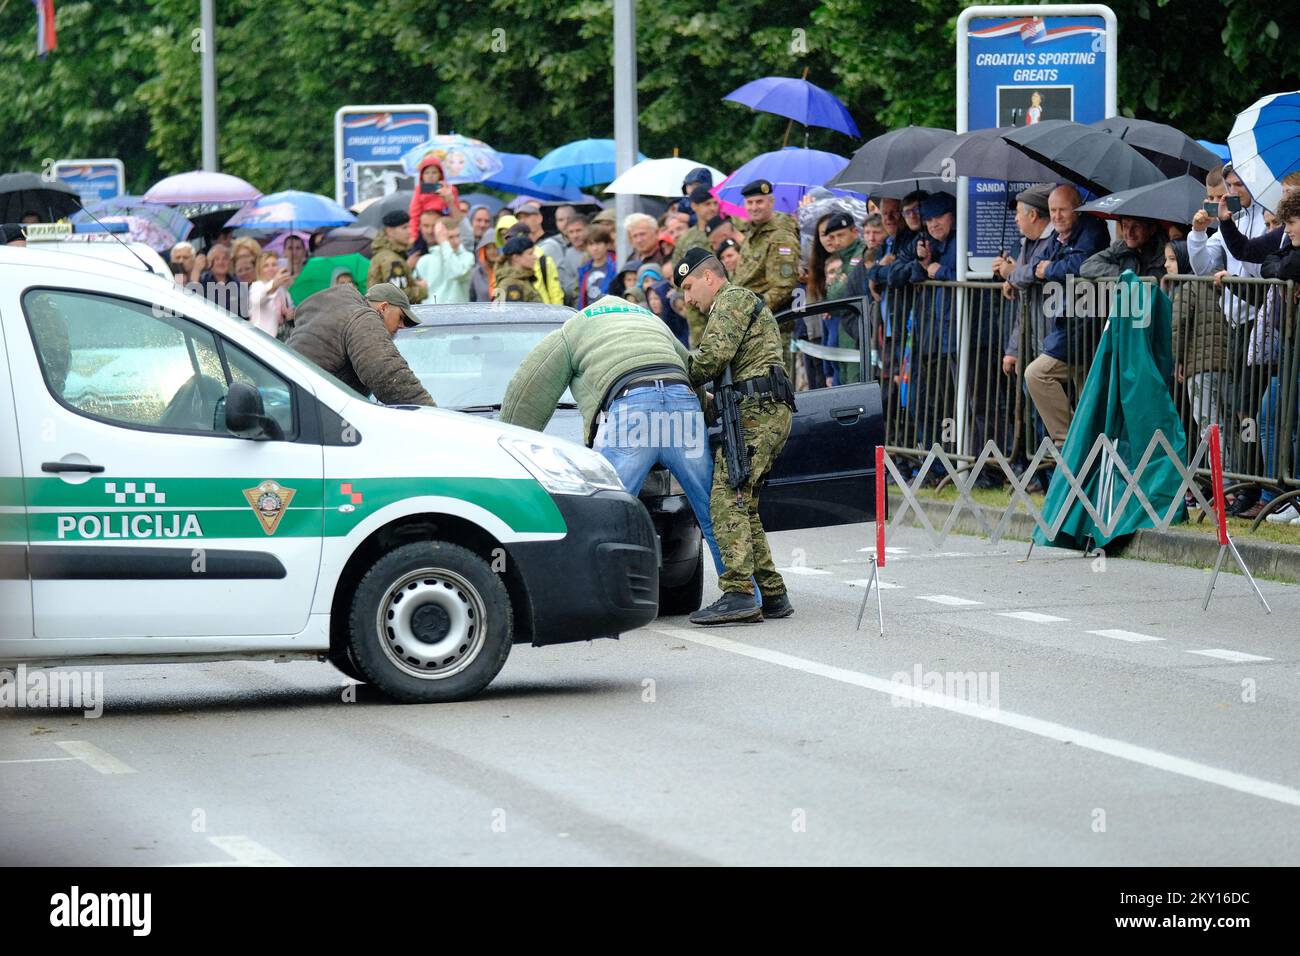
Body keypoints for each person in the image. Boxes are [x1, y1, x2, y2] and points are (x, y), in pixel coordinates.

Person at [499, 294, 725, 576]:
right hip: (682, 404)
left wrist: (506, 443)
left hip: (632, 407)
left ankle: (592, 602)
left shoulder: (575, 328)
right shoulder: (652, 321)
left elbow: (529, 388)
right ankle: (747, 596)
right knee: (715, 512)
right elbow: (691, 369)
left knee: (607, 516)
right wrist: (708, 410)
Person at [676, 248, 797, 625]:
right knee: (744, 503)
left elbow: (711, 359)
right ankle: (773, 594)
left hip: (757, 411)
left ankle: (738, 593)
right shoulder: (733, 303)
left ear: (709, 277)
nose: (688, 299)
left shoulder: (733, 300)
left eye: (690, 286)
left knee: (726, 498)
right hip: (758, 407)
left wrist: (674, 370)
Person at [1018, 184, 1111, 446]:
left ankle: (1068, 441)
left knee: (1037, 374)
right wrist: (1048, 269)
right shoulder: (1060, 236)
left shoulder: (1092, 230)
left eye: (1062, 210)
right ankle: (1083, 447)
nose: (1056, 216)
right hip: (1068, 323)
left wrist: (1050, 270)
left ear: (1077, 209)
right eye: (1052, 211)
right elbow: (1038, 263)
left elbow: (1081, 266)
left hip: (1084, 322)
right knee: (1086, 394)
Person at [287, 281, 434, 406]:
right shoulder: (362, 318)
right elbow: (388, 375)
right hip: (307, 406)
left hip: (290, 398)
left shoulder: (337, 309)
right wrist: (433, 415)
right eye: (401, 317)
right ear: (383, 308)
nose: (402, 325)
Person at [730, 179, 800, 379]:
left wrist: (748, 311)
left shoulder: (780, 236)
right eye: (750, 203)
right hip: (751, 323)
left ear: (771, 202)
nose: (754, 207)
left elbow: (783, 287)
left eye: (759, 202)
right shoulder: (753, 231)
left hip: (771, 325)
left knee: (775, 385)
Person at [413, 217, 475, 304]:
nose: (456, 241)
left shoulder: (467, 257)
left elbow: (456, 273)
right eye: (450, 237)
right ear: (438, 237)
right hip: (430, 315)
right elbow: (415, 293)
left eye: (458, 236)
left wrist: (444, 243)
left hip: (459, 315)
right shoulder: (424, 260)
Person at [368, 210, 425, 302]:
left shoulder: (385, 254)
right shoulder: (392, 260)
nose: (410, 231)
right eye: (404, 228)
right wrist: (422, 289)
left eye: (409, 227)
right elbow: (398, 295)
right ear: (390, 231)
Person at [407, 154, 462, 243]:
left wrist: (448, 199)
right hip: (425, 233)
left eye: (434, 172)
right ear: (422, 176)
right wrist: (414, 235)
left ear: (440, 174)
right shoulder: (419, 189)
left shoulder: (450, 189)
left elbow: (457, 216)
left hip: (446, 231)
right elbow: (414, 214)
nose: (430, 176)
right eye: (427, 173)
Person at [249, 251, 293, 337]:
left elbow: (289, 309)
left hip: (280, 338)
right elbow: (257, 300)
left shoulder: (282, 289)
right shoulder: (257, 286)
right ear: (260, 269)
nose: (271, 269)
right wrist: (273, 285)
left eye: (274, 265)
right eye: (266, 266)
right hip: (261, 338)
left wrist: (289, 314)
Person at [494, 236, 543, 303]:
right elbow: (515, 312)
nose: (535, 257)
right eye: (530, 254)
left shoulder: (522, 279)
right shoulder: (512, 284)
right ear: (516, 257)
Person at [577, 223, 616, 308]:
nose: (595, 248)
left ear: (606, 244)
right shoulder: (584, 269)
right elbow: (582, 298)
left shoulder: (616, 265)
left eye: (598, 243)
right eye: (591, 244)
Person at [469, 233, 500, 302]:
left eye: (495, 247)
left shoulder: (505, 271)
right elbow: (471, 298)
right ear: (483, 251)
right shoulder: (476, 273)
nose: (492, 252)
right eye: (488, 248)